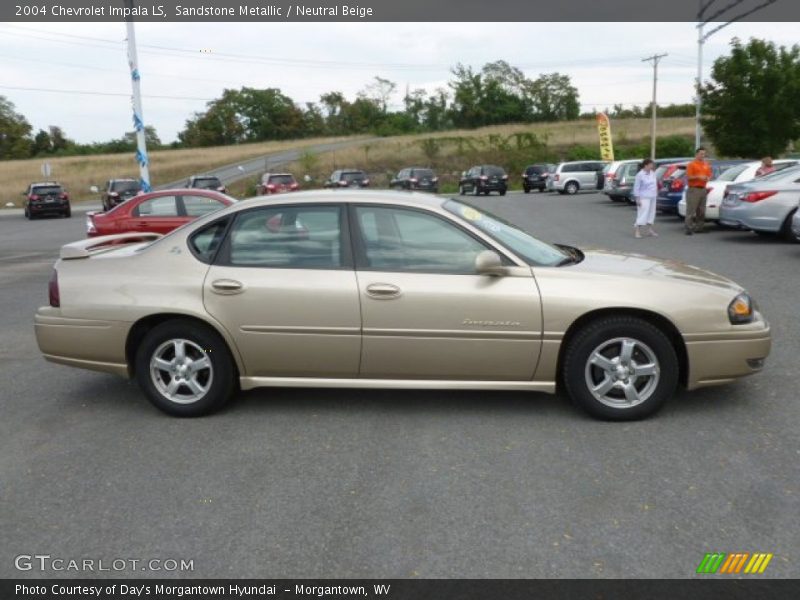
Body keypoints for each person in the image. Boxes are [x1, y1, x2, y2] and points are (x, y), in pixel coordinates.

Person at [684, 147, 712, 235]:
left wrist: (708, 178)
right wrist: (698, 176)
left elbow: (709, 175)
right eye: (701, 154)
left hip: (703, 189)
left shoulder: (706, 164)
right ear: (696, 154)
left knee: (701, 210)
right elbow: (688, 177)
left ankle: (699, 227)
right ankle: (689, 228)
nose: (702, 156)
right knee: (691, 210)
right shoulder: (691, 164)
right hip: (694, 189)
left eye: (704, 154)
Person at [632, 158, 658, 238]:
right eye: (651, 164)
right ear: (646, 165)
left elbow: (655, 184)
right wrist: (637, 199)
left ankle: (650, 230)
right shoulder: (640, 174)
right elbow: (636, 187)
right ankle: (637, 231)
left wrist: (657, 192)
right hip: (644, 197)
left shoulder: (652, 173)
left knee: (651, 213)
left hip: (653, 196)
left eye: (652, 165)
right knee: (643, 213)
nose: (652, 166)